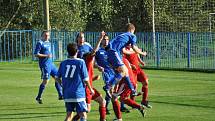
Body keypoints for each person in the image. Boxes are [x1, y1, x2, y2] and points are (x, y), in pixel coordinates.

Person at [105, 23, 147, 96]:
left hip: (110, 53)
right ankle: (108, 86)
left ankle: (133, 91)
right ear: (132, 30)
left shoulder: (121, 35)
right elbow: (134, 47)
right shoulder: (132, 35)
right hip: (114, 52)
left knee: (126, 72)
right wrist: (142, 53)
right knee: (123, 71)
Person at [56, 43, 94, 121]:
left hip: (67, 93)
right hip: (78, 93)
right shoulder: (80, 62)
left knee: (69, 115)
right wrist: (91, 89)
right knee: (83, 115)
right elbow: (86, 79)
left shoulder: (63, 63)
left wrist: (62, 84)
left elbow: (57, 77)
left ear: (67, 51)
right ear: (77, 51)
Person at [73, 31, 107, 121]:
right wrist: (100, 39)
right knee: (86, 110)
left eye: (83, 37)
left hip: (89, 83)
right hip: (84, 86)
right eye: (80, 37)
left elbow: (93, 56)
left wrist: (97, 66)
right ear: (77, 39)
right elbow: (93, 52)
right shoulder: (76, 50)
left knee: (102, 101)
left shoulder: (87, 46)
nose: (82, 39)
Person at [95, 34, 123, 121]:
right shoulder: (99, 51)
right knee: (112, 93)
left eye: (107, 39)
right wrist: (98, 66)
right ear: (101, 40)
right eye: (104, 39)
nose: (106, 41)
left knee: (113, 94)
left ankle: (107, 107)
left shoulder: (111, 50)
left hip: (116, 73)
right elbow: (93, 62)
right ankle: (115, 116)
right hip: (107, 73)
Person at [34, 31, 63, 104]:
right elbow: (36, 54)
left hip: (51, 64)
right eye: (45, 35)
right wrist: (46, 56)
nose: (47, 37)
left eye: (48, 35)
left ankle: (60, 95)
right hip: (45, 65)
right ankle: (38, 97)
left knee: (58, 77)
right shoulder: (40, 43)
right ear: (42, 36)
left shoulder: (49, 43)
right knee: (46, 81)